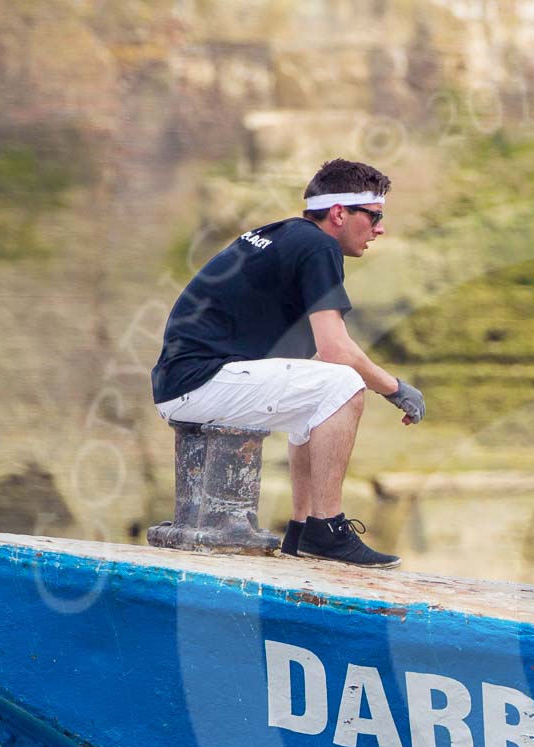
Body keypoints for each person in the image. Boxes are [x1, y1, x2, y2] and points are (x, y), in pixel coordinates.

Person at [150, 158, 423, 567]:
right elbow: (336, 351)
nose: (380, 229)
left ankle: (300, 530)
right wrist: (395, 388)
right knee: (342, 383)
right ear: (339, 214)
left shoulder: (285, 236)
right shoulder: (318, 246)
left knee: (319, 394)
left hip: (187, 380)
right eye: (375, 216)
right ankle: (326, 528)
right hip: (202, 380)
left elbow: (310, 353)